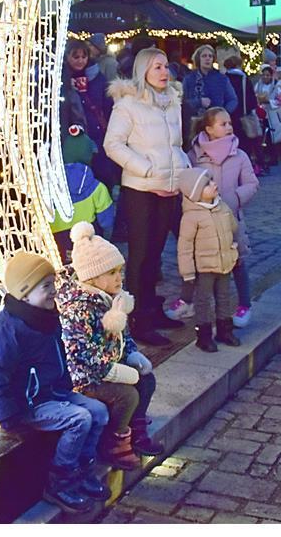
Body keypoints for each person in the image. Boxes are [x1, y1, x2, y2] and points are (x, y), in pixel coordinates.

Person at [0, 252, 111, 512]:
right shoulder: (7, 330)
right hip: (29, 403)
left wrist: (65, 385)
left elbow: (58, 353)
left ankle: (83, 470)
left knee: (98, 411)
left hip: (54, 392)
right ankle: (60, 480)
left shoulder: (47, 316)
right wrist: (6, 415)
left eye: (53, 284)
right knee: (79, 419)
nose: (54, 291)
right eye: (46, 286)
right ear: (25, 294)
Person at [57, 223, 163, 472]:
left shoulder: (112, 299)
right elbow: (80, 355)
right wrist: (114, 372)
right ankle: (115, 441)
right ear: (93, 276)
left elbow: (122, 336)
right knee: (127, 395)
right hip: (86, 377)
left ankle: (137, 429)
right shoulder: (80, 308)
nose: (120, 277)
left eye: (120, 271)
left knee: (147, 381)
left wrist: (132, 354)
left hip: (109, 364)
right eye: (112, 272)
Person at [104, 47, 190, 345]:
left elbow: (177, 144)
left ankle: (152, 310)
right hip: (141, 189)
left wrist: (182, 170)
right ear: (143, 71)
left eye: (166, 66)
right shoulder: (128, 104)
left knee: (156, 254)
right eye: (157, 67)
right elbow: (113, 144)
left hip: (169, 188)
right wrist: (145, 169)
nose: (164, 72)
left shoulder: (173, 103)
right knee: (139, 256)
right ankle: (136, 319)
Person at [179, 107, 259, 328]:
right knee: (200, 262)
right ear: (209, 129)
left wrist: (234, 198)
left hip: (230, 217)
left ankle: (244, 303)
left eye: (230, 123)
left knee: (238, 260)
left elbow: (252, 184)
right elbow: (187, 183)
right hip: (203, 222)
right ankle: (189, 301)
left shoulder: (239, 154)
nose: (229, 127)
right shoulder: (194, 155)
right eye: (223, 124)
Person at [176, 168, 241, 352]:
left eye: (212, 181)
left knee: (224, 297)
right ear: (197, 192)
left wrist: (235, 250)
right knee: (203, 301)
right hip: (204, 267)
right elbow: (185, 246)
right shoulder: (191, 216)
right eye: (207, 184)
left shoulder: (222, 207)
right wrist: (187, 272)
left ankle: (224, 330)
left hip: (224, 263)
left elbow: (233, 228)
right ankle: (203, 335)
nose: (214, 185)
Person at [49, 125, 115, 263]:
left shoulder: (50, 186)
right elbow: (106, 221)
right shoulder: (97, 187)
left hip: (56, 239)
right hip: (87, 237)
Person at [63, 39, 118, 188]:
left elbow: (107, 106)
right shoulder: (62, 80)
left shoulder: (98, 78)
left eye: (83, 56)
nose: (80, 60)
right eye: (76, 56)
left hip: (96, 133)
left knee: (100, 175)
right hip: (72, 136)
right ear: (67, 56)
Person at [182, 45, 238, 141]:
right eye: (204, 56)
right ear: (198, 58)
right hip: (193, 125)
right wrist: (199, 102)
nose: (207, 58)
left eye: (210, 56)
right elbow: (183, 102)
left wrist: (222, 114)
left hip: (215, 125)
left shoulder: (221, 78)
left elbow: (233, 100)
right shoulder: (189, 79)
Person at [222, 55, 262, 174]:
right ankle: (246, 168)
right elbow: (251, 99)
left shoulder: (224, 78)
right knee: (245, 144)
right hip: (243, 115)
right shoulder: (244, 78)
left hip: (228, 114)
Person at [254, 65, 281, 167]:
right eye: (263, 75)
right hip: (262, 114)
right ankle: (264, 157)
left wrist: (269, 101)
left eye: (267, 75)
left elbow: (280, 101)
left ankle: (274, 157)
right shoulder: (258, 85)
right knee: (263, 136)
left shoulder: (276, 87)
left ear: (271, 76)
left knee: (273, 137)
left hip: (273, 114)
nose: (265, 77)